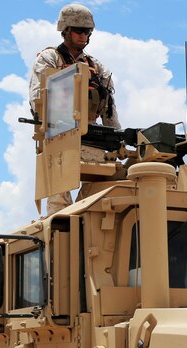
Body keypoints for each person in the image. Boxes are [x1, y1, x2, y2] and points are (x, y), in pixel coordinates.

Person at [28, 3, 120, 215]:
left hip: (92, 138)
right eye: (79, 31)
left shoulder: (96, 66)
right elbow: (37, 99)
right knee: (59, 203)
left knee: (105, 187)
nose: (83, 36)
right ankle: (60, 236)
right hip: (59, 137)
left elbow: (109, 107)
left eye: (87, 32)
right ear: (65, 31)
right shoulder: (50, 58)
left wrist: (116, 138)